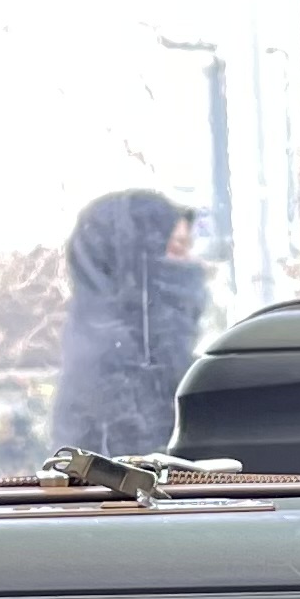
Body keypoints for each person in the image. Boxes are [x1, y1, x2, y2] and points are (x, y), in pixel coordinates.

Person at [49, 191, 208, 459]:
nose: (192, 264)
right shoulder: (118, 367)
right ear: (134, 263)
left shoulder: (138, 352)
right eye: (178, 248)